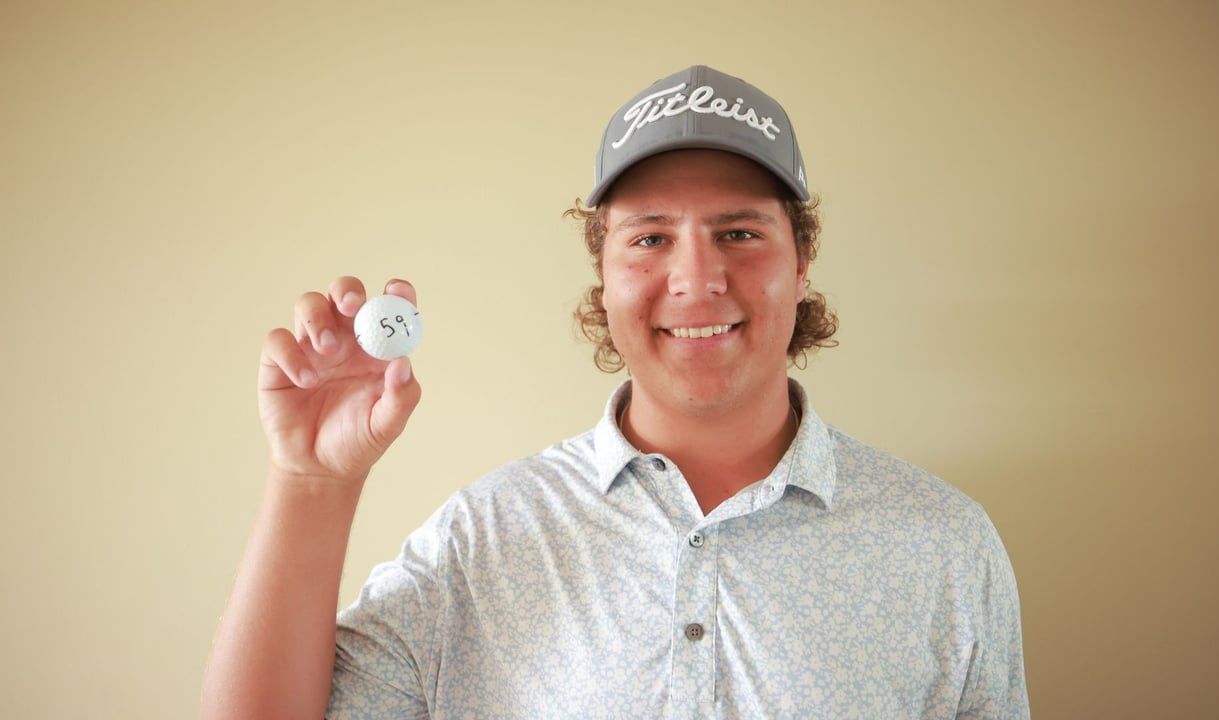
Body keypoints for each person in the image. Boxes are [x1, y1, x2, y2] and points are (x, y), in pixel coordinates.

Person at [202, 65, 1029, 719]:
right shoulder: (488, 539)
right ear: (602, 275)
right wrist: (313, 483)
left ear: (801, 261)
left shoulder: (945, 546)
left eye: (739, 232)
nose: (698, 278)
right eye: (651, 237)